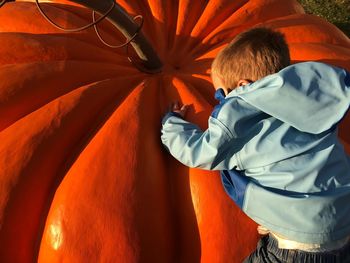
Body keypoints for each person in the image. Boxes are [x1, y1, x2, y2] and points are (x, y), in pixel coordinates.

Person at [161, 27, 350, 262]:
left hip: (299, 247)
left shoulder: (240, 120)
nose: (221, 100)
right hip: (342, 217)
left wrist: (172, 124)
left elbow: (198, 152)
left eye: (223, 93)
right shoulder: (310, 97)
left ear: (242, 86)